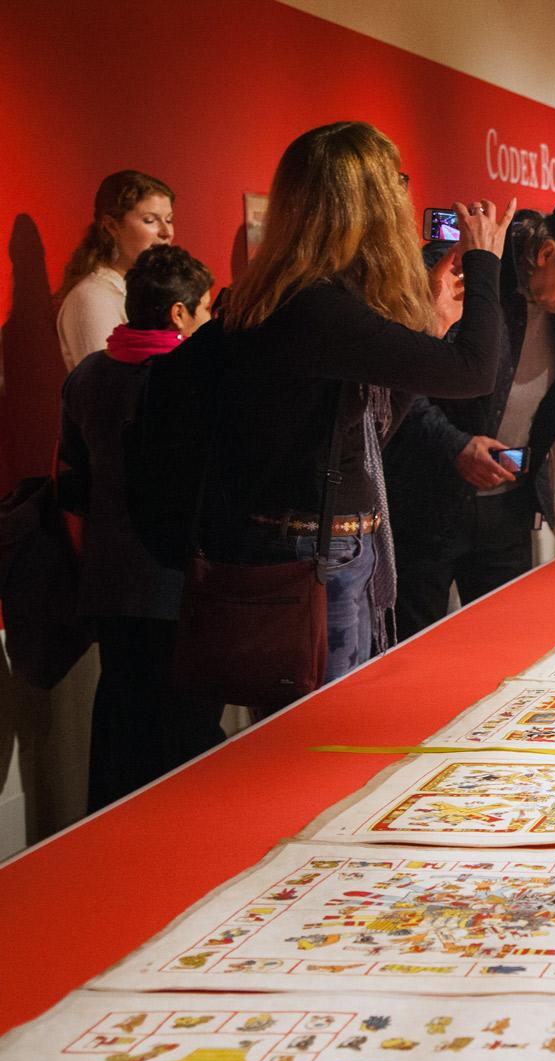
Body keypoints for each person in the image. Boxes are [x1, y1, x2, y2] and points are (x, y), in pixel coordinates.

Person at [151, 121, 510, 686]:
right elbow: (473, 372)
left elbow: (358, 437)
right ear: (366, 204)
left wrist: (432, 323)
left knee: (325, 730)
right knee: (324, 735)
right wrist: (486, 261)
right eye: (396, 184)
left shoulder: (293, 301)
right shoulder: (314, 309)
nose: (404, 197)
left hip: (327, 546)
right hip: (315, 556)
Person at [389, 203, 555, 632]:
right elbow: (399, 383)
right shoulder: (466, 275)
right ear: (547, 253)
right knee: (412, 646)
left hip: (508, 510)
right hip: (428, 504)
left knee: (501, 639)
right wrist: (454, 444)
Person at [56, 244, 222, 808]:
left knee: (121, 721)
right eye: (206, 309)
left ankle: (103, 846)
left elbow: (72, 483)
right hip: (181, 577)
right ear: (180, 313)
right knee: (186, 728)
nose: (211, 320)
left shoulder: (86, 376)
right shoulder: (193, 379)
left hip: (107, 577)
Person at [54, 170, 176, 371]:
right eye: (150, 220)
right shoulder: (92, 297)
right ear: (111, 225)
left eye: (169, 219)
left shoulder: (145, 290)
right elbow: (106, 385)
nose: (166, 232)